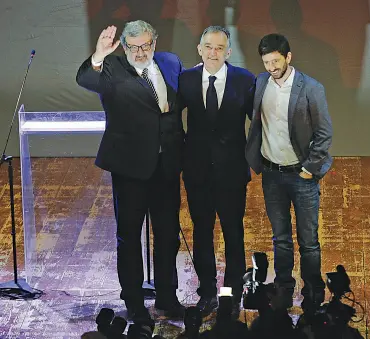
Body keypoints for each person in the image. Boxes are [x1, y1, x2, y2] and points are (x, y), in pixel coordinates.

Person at [76, 20, 185, 321]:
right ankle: (135, 303)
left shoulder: (170, 62)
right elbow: (85, 78)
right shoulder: (110, 69)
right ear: (124, 46)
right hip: (130, 170)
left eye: (146, 45)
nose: (140, 52)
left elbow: (177, 104)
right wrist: (98, 55)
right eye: (134, 46)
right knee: (129, 238)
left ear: (155, 43)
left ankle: (167, 297)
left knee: (167, 237)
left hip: (166, 168)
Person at [246, 33, 333, 312]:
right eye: (267, 62)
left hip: (301, 175)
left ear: (288, 57)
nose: (271, 67)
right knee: (280, 238)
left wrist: (309, 169)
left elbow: (324, 133)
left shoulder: (310, 88)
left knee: (308, 241)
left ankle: (313, 291)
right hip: (272, 174)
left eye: (276, 61)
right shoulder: (261, 83)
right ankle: (284, 287)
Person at [177, 26, 255, 318]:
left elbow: (257, 123)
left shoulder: (244, 80)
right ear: (199, 49)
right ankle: (208, 293)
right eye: (208, 47)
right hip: (197, 173)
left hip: (232, 173)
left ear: (228, 52)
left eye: (219, 48)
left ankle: (229, 295)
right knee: (202, 234)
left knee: (234, 233)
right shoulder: (185, 80)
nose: (213, 53)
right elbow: (171, 118)